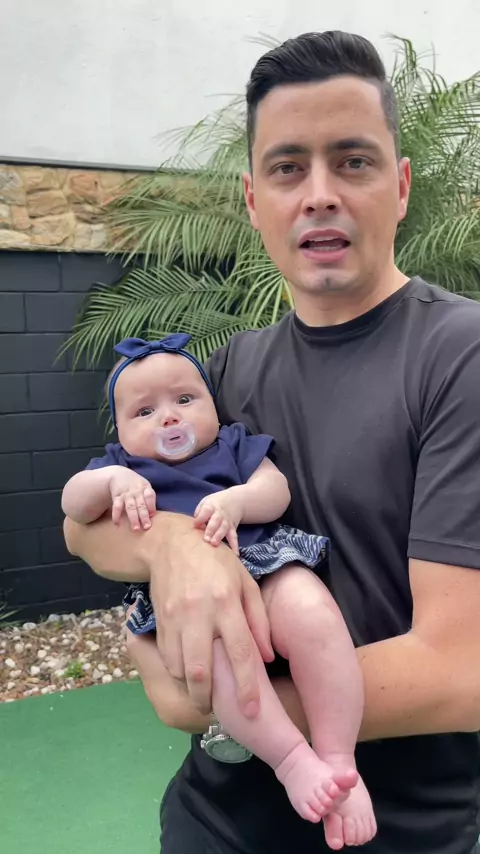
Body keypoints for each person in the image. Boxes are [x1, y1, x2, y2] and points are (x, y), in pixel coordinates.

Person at [63, 29, 480, 854]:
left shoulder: (458, 357)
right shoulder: (220, 374)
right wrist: (173, 547)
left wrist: (218, 708)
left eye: (353, 162)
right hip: (214, 823)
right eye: (289, 168)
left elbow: (460, 670)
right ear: (255, 201)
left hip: (397, 829)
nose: (319, 194)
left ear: (399, 187)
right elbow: (85, 527)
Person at [61, 332, 376, 848]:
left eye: (185, 399)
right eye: (145, 411)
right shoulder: (123, 466)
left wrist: (238, 501)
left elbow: (276, 491)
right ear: (119, 430)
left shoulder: (232, 444)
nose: (169, 418)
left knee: (315, 615)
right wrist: (112, 482)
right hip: (188, 606)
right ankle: (292, 760)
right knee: (220, 668)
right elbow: (74, 507)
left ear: (212, 404)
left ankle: (340, 758)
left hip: (265, 562)